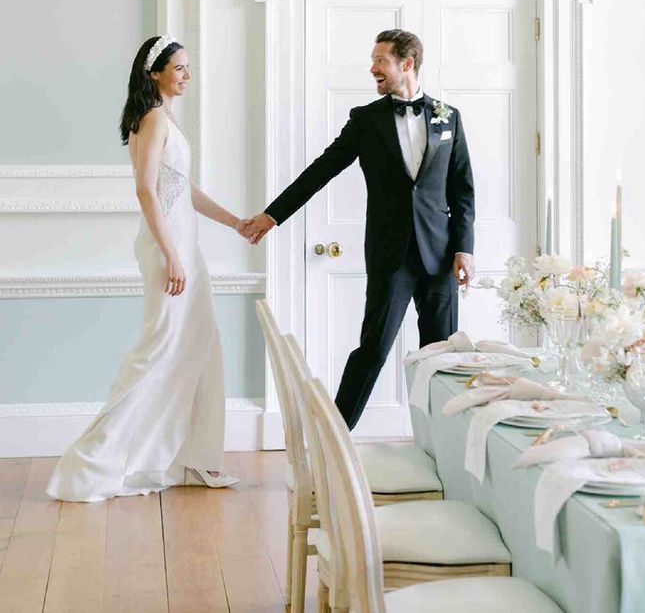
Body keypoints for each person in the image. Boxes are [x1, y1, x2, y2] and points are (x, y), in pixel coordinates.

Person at [47, 36, 247, 502]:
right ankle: (90, 464)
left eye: (188, 67)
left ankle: (180, 458)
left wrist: (235, 222)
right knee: (157, 351)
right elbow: (145, 190)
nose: (187, 75)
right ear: (154, 72)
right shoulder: (154, 119)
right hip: (168, 250)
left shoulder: (162, 118)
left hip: (183, 248)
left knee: (196, 348)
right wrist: (172, 254)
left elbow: (185, 190)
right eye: (179, 68)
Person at [246, 29, 475, 429]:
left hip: (441, 258)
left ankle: (442, 447)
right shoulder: (367, 120)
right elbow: (322, 169)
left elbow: (462, 190)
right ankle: (331, 440)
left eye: (380, 61)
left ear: (407, 63)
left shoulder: (447, 117)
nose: (373, 69)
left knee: (441, 359)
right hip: (391, 256)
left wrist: (464, 248)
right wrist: (272, 215)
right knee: (372, 350)